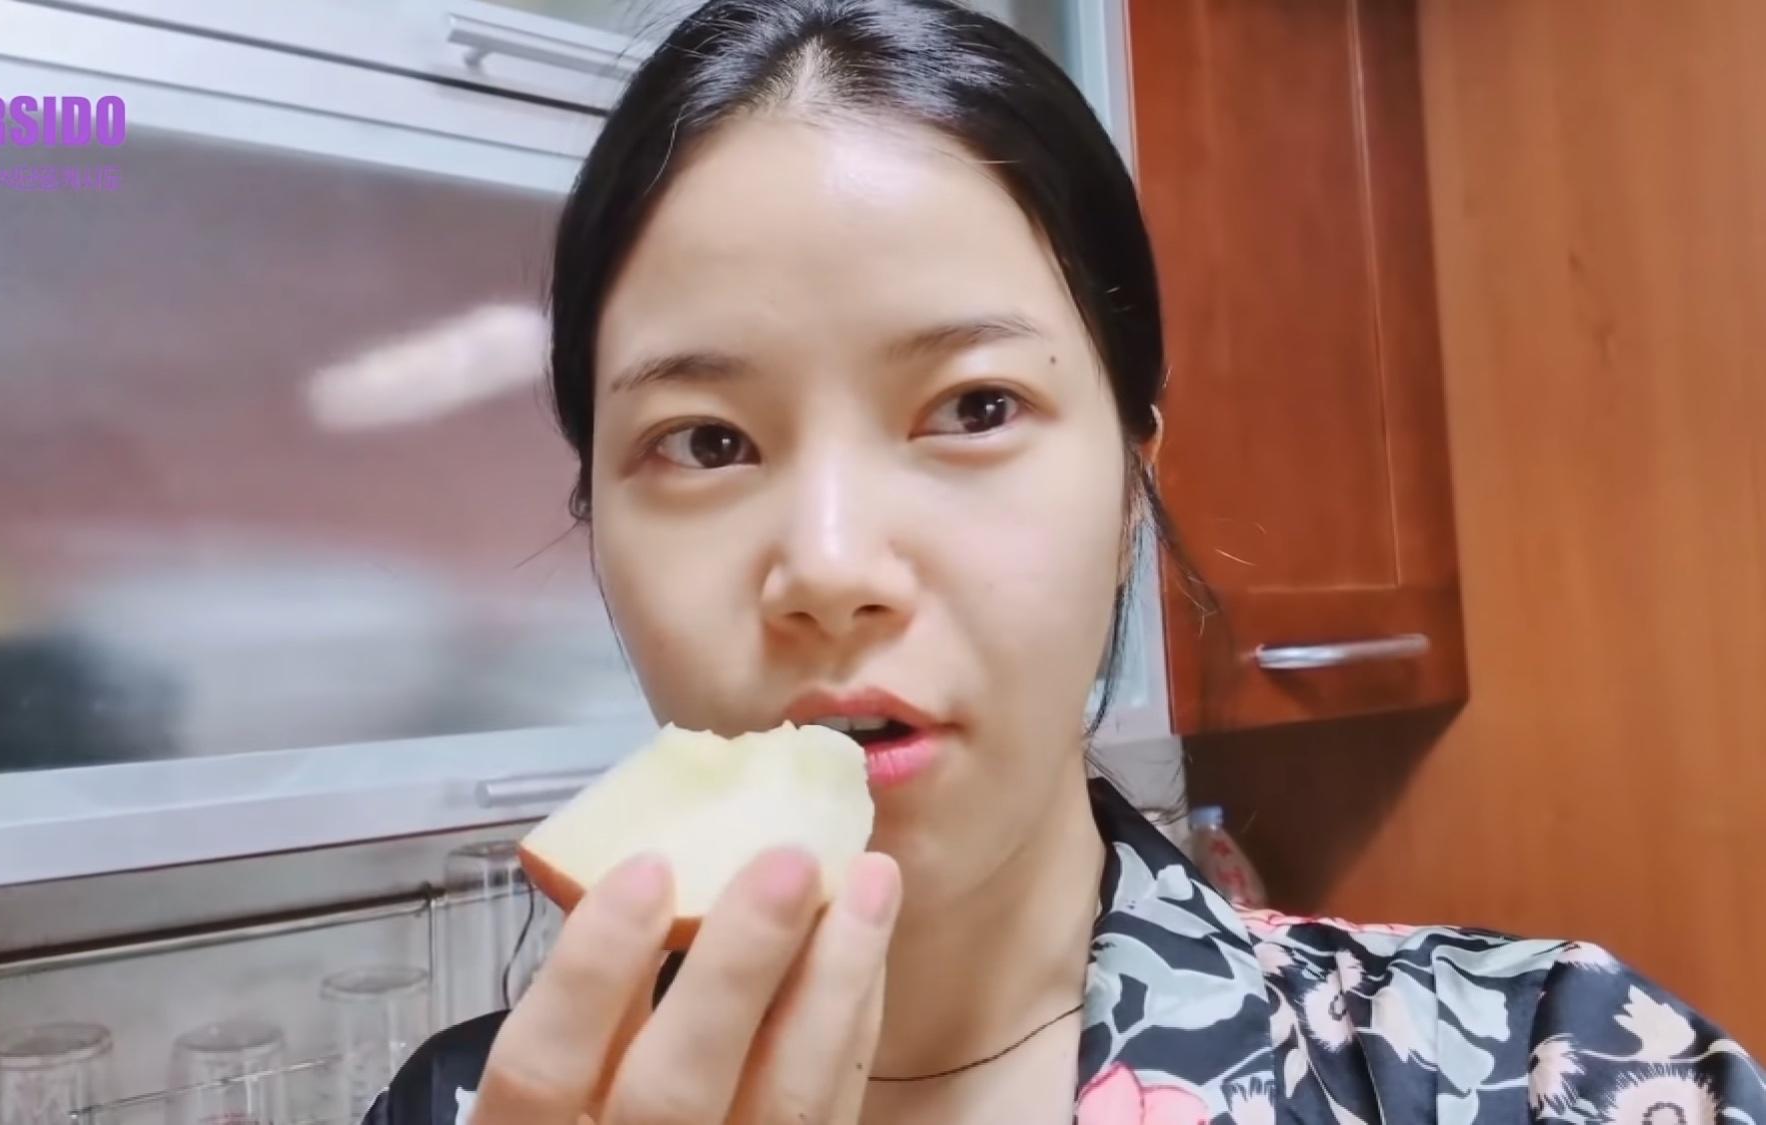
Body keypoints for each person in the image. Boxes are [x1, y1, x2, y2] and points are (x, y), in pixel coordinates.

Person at [367, 1, 1766, 1121]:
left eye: (976, 408)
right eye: (706, 442)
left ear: (1129, 491)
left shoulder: (1554, 1072)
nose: (831, 567)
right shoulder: (455, 1111)